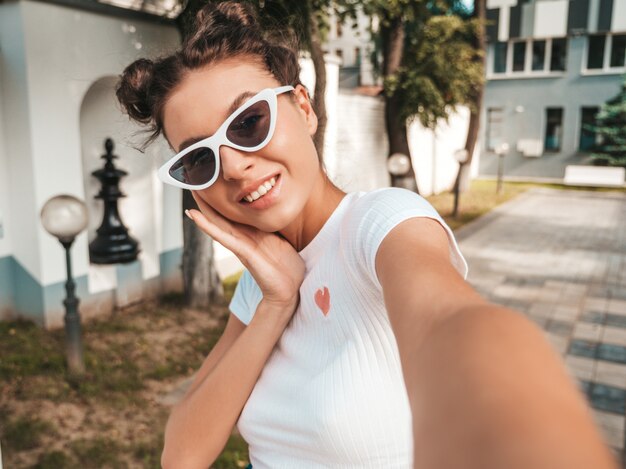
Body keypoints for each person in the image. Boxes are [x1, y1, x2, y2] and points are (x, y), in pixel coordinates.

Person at [116, 2, 617, 468]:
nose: (235, 166)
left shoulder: (382, 225)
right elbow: (181, 455)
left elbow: (455, 325)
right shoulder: (263, 277)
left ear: (303, 108)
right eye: (198, 158)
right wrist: (275, 303)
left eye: (249, 122)